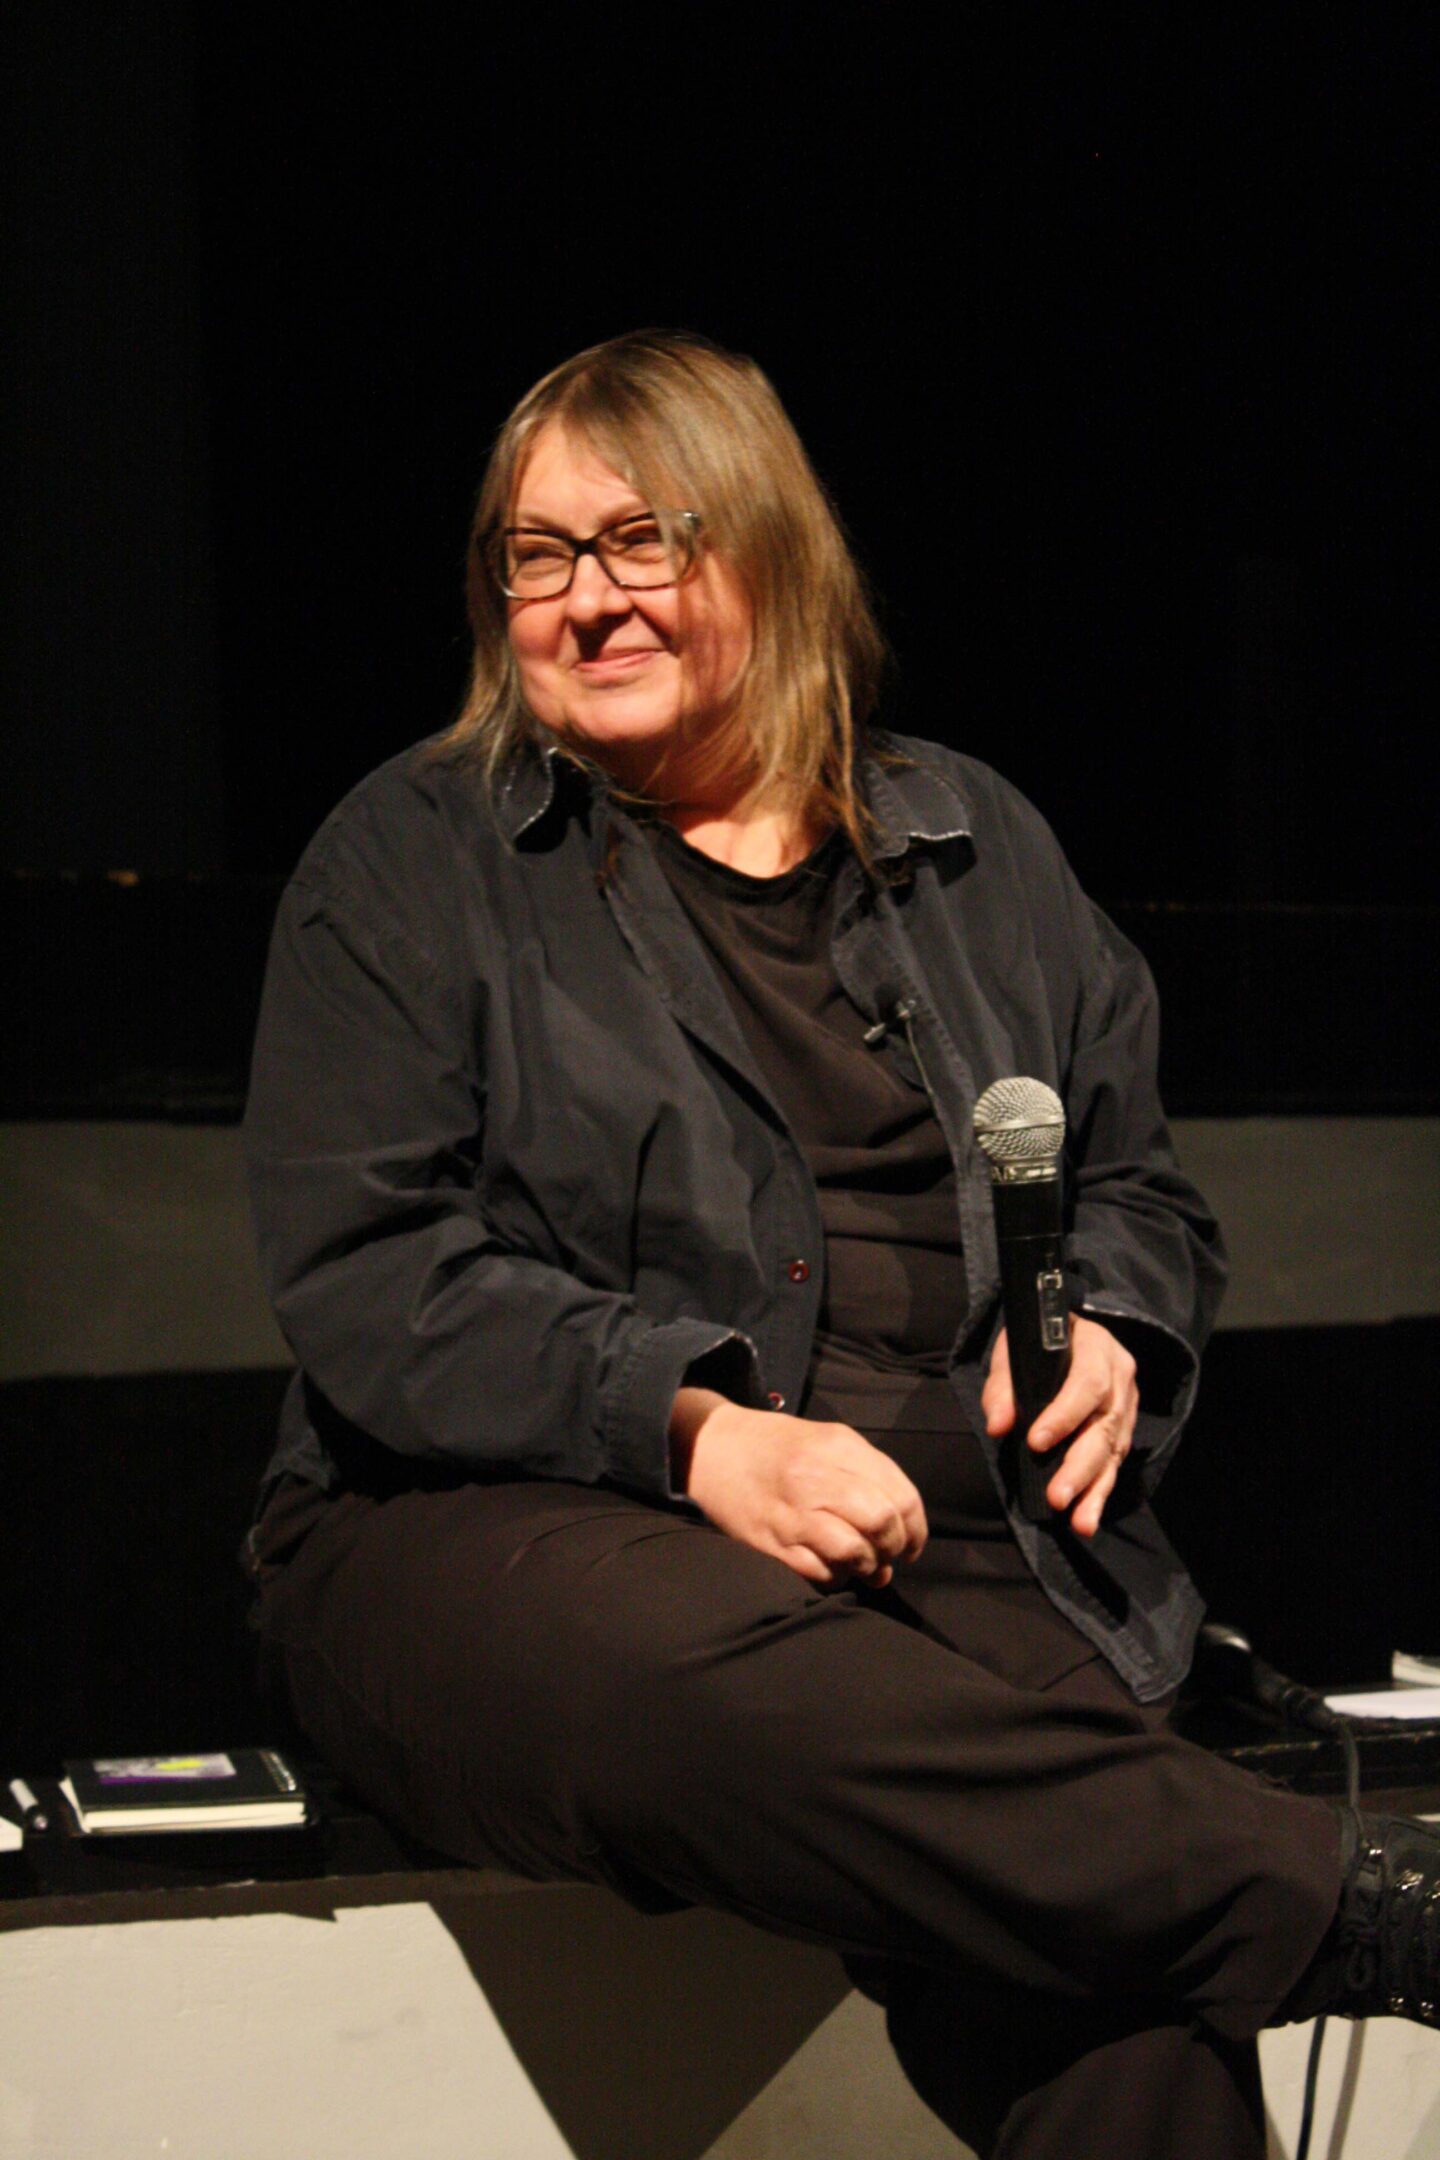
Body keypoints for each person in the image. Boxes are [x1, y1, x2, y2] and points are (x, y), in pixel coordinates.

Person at [242, 329, 1439, 2158]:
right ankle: (1358, 1906)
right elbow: (375, 1271)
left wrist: (1115, 1327)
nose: (587, 599)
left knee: (1119, 1976)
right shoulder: (414, 858)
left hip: (949, 1544)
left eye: (642, 541)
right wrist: (703, 1433)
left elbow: (1135, 1188)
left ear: (769, 552)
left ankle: (1247, 1890)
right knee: (715, 1670)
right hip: (496, 1523)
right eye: (539, 554)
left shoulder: (974, 845)